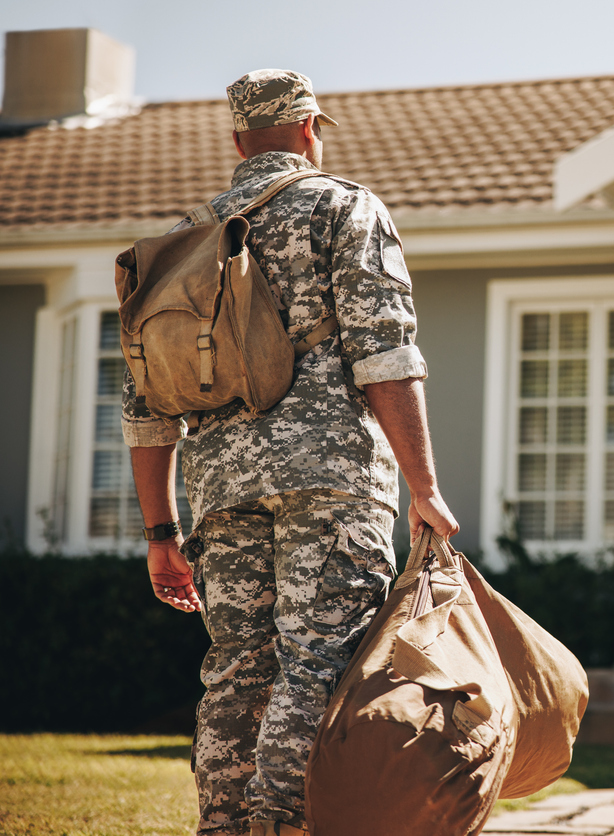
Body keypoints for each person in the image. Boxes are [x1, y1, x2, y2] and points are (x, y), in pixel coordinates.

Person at [125, 69, 458, 836]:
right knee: (317, 667)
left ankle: (225, 827)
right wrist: (424, 487)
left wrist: (160, 534)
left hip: (217, 490)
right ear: (310, 127)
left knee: (237, 674)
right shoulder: (345, 207)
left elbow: (146, 402)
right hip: (331, 482)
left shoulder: (181, 239)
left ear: (238, 140)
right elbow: (385, 354)